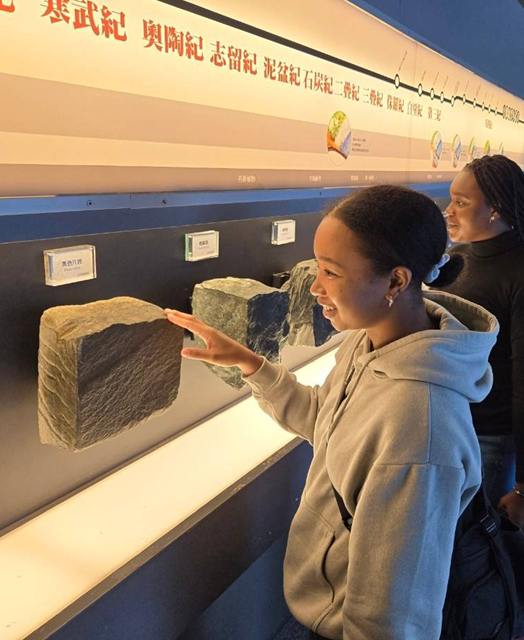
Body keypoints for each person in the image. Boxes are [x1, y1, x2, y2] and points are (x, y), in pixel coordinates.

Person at [165, 186, 498, 640]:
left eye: (331, 272)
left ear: (396, 282)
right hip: (323, 608)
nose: (315, 287)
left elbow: (394, 617)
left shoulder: (419, 430)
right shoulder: (371, 344)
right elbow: (327, 420)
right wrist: (251, 364)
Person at [433, 154, 524, 544]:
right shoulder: (456, 260)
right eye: (450, 199)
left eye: (461, 202)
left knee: (483, 558)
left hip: (489, 441)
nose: (448, 212)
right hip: (443, 428)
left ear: (496, 210)